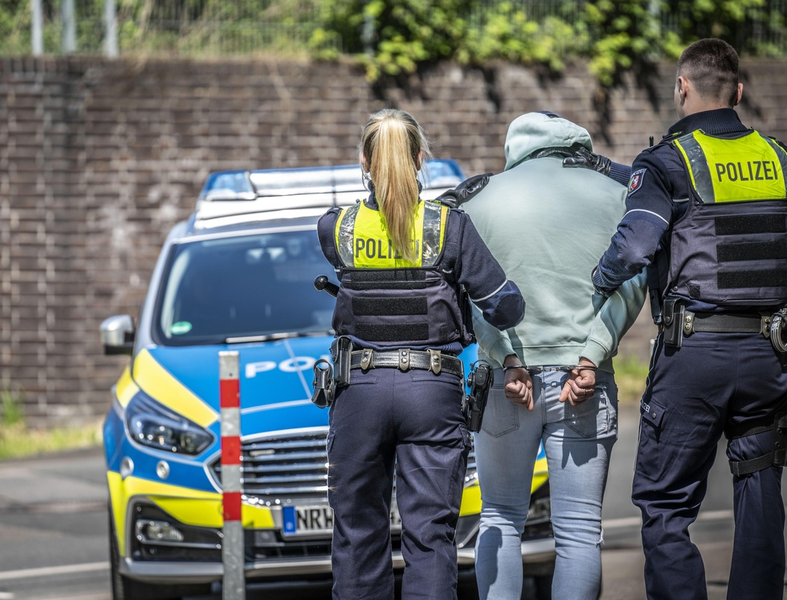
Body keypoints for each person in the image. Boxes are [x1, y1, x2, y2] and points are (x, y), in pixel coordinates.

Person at [592, 38, 787, 600]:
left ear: (682, 87)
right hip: (769, 355)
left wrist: (597, 282)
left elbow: (633, 250)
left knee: (664, 502)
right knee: (760, 485)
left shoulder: (668, 163)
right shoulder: (777, 158)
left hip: (695, 354)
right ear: (739, 91)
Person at [316, 108, 526, 600]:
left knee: (357, 536)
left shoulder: (337, 228)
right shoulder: (450, 227)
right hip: (431, 394)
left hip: (358, 392)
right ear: (419, 158)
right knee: (430, 538)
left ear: (365, 161)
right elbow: (506, 307)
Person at [448, 111, 646, 600]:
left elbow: (468, 293)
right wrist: (591, 354)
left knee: (500, 516)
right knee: (579, 531)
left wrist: (505, 357)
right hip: (585, 380)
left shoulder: (481, 199)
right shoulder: (617, 195)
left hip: (505, 380)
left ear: (517, 146)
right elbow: (634, 279)